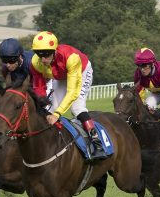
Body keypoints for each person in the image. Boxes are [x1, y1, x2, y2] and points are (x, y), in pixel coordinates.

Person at [28, 31, 105, 159]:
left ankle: (97, 143)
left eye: (46, 55)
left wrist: (58, 114)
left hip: (81, 70)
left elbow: (72, 92)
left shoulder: (71, 57)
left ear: (54, 51)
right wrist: (44, 105)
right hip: (60, 75)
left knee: (77, 108)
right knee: (49, 110)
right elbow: (39, 88)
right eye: (39, 55)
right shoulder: (35, 63)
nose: (43, 59)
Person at [133, 47, 160, 116]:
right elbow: (139, 94)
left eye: (144, 65)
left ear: (152, 64)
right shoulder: (138, 74)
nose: (142, 69)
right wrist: (144, 107)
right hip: (157, 93)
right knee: (148, 105)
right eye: (139, 65)